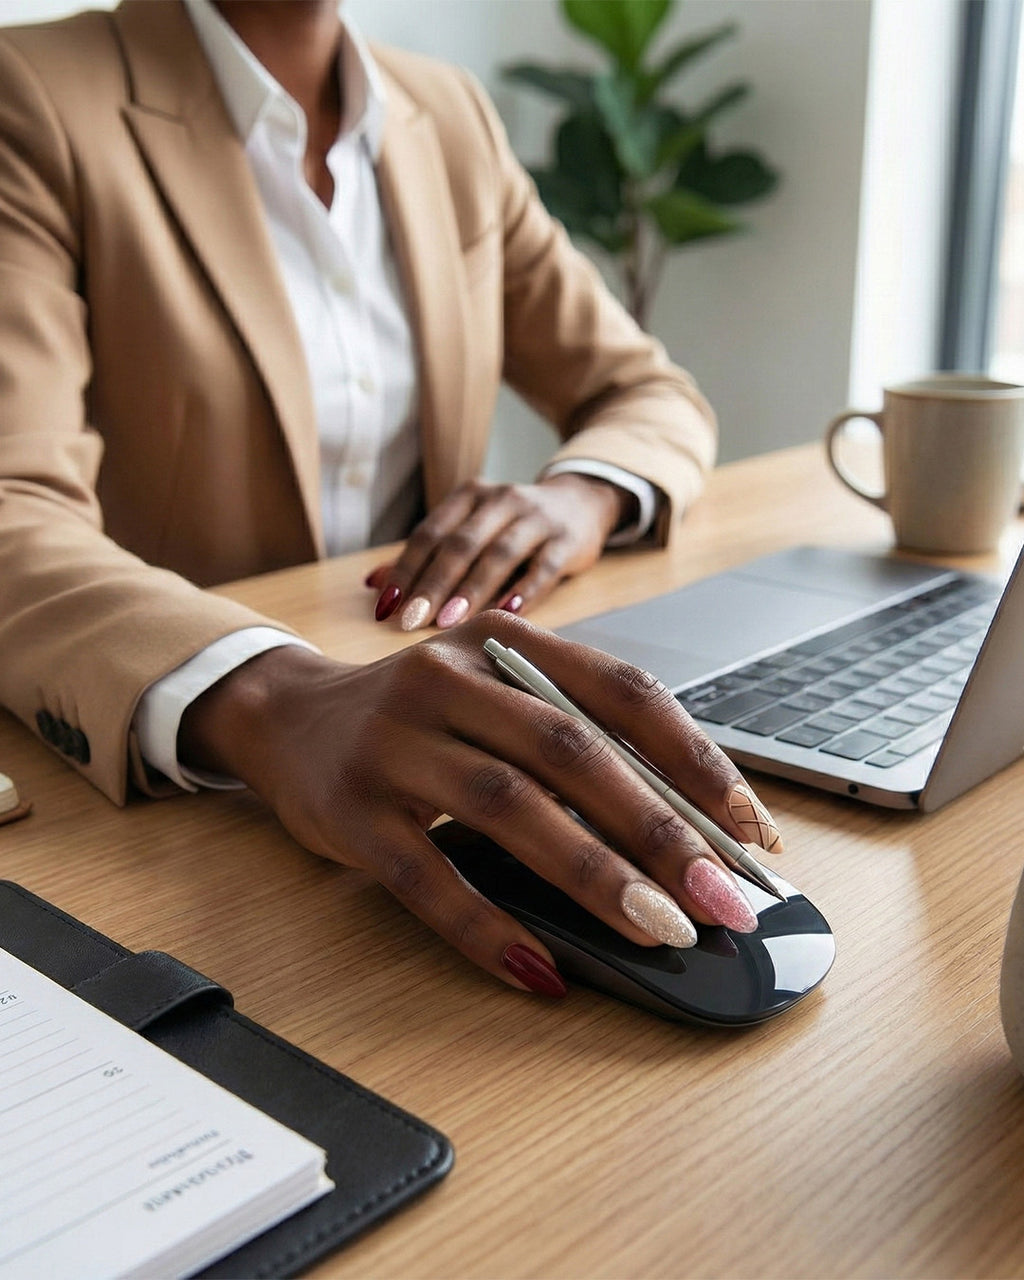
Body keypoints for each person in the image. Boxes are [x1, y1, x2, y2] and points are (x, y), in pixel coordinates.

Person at [0, 0, 783, 998]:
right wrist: (270, 694)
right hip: (180, 805)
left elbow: (643, 390)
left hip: (426, 723)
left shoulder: (444, 113)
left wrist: (576, 497)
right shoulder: (32, 94)